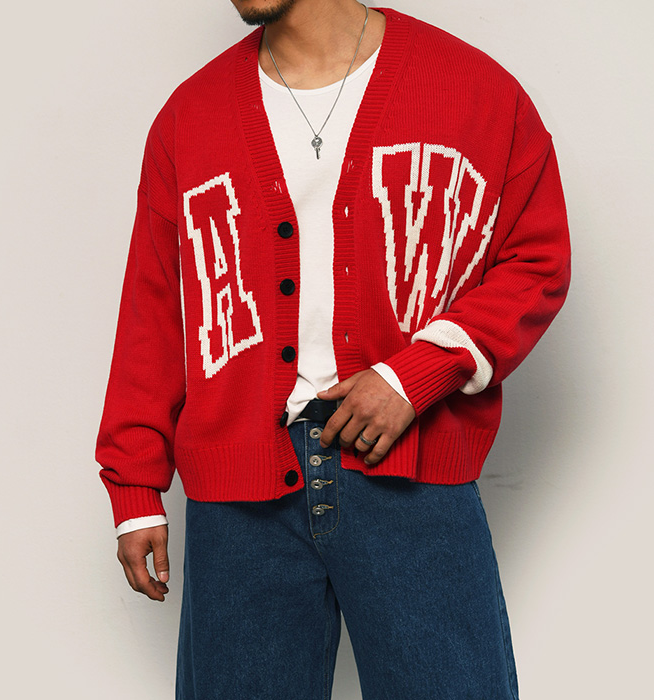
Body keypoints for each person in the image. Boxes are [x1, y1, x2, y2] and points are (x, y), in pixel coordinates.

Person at [96, 1, 570, 697]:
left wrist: (414, 376)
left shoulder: (474, 91)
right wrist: (135, 486)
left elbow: (536, 261)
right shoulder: (188, 118)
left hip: (413, 479)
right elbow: (155, 309)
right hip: (240, 496)